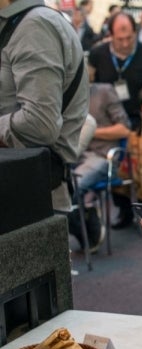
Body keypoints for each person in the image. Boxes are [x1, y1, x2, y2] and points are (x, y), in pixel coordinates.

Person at [0, 0, 89, 212]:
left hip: (30, 196)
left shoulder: (33, 26)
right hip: (21, 188)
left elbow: (40, 123)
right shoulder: (21, 24)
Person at [87, 11, 142, 228]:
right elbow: (90, 86)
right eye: (119, 39)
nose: (125, 43)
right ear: (111, 35)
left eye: (129, 38)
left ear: (135, 33)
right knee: (116, 164)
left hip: (140, 118)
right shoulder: (98, 55)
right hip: (111, 122)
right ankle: (123, 210)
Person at [68, 83, 132, 252]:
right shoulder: (63, 94)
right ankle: (87, 215)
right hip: (75, 154)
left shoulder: (103, 91)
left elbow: (124, 129)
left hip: (103, 155)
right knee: (54, 189)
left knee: (73, 188)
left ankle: (89, 230)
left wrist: (90, 131)